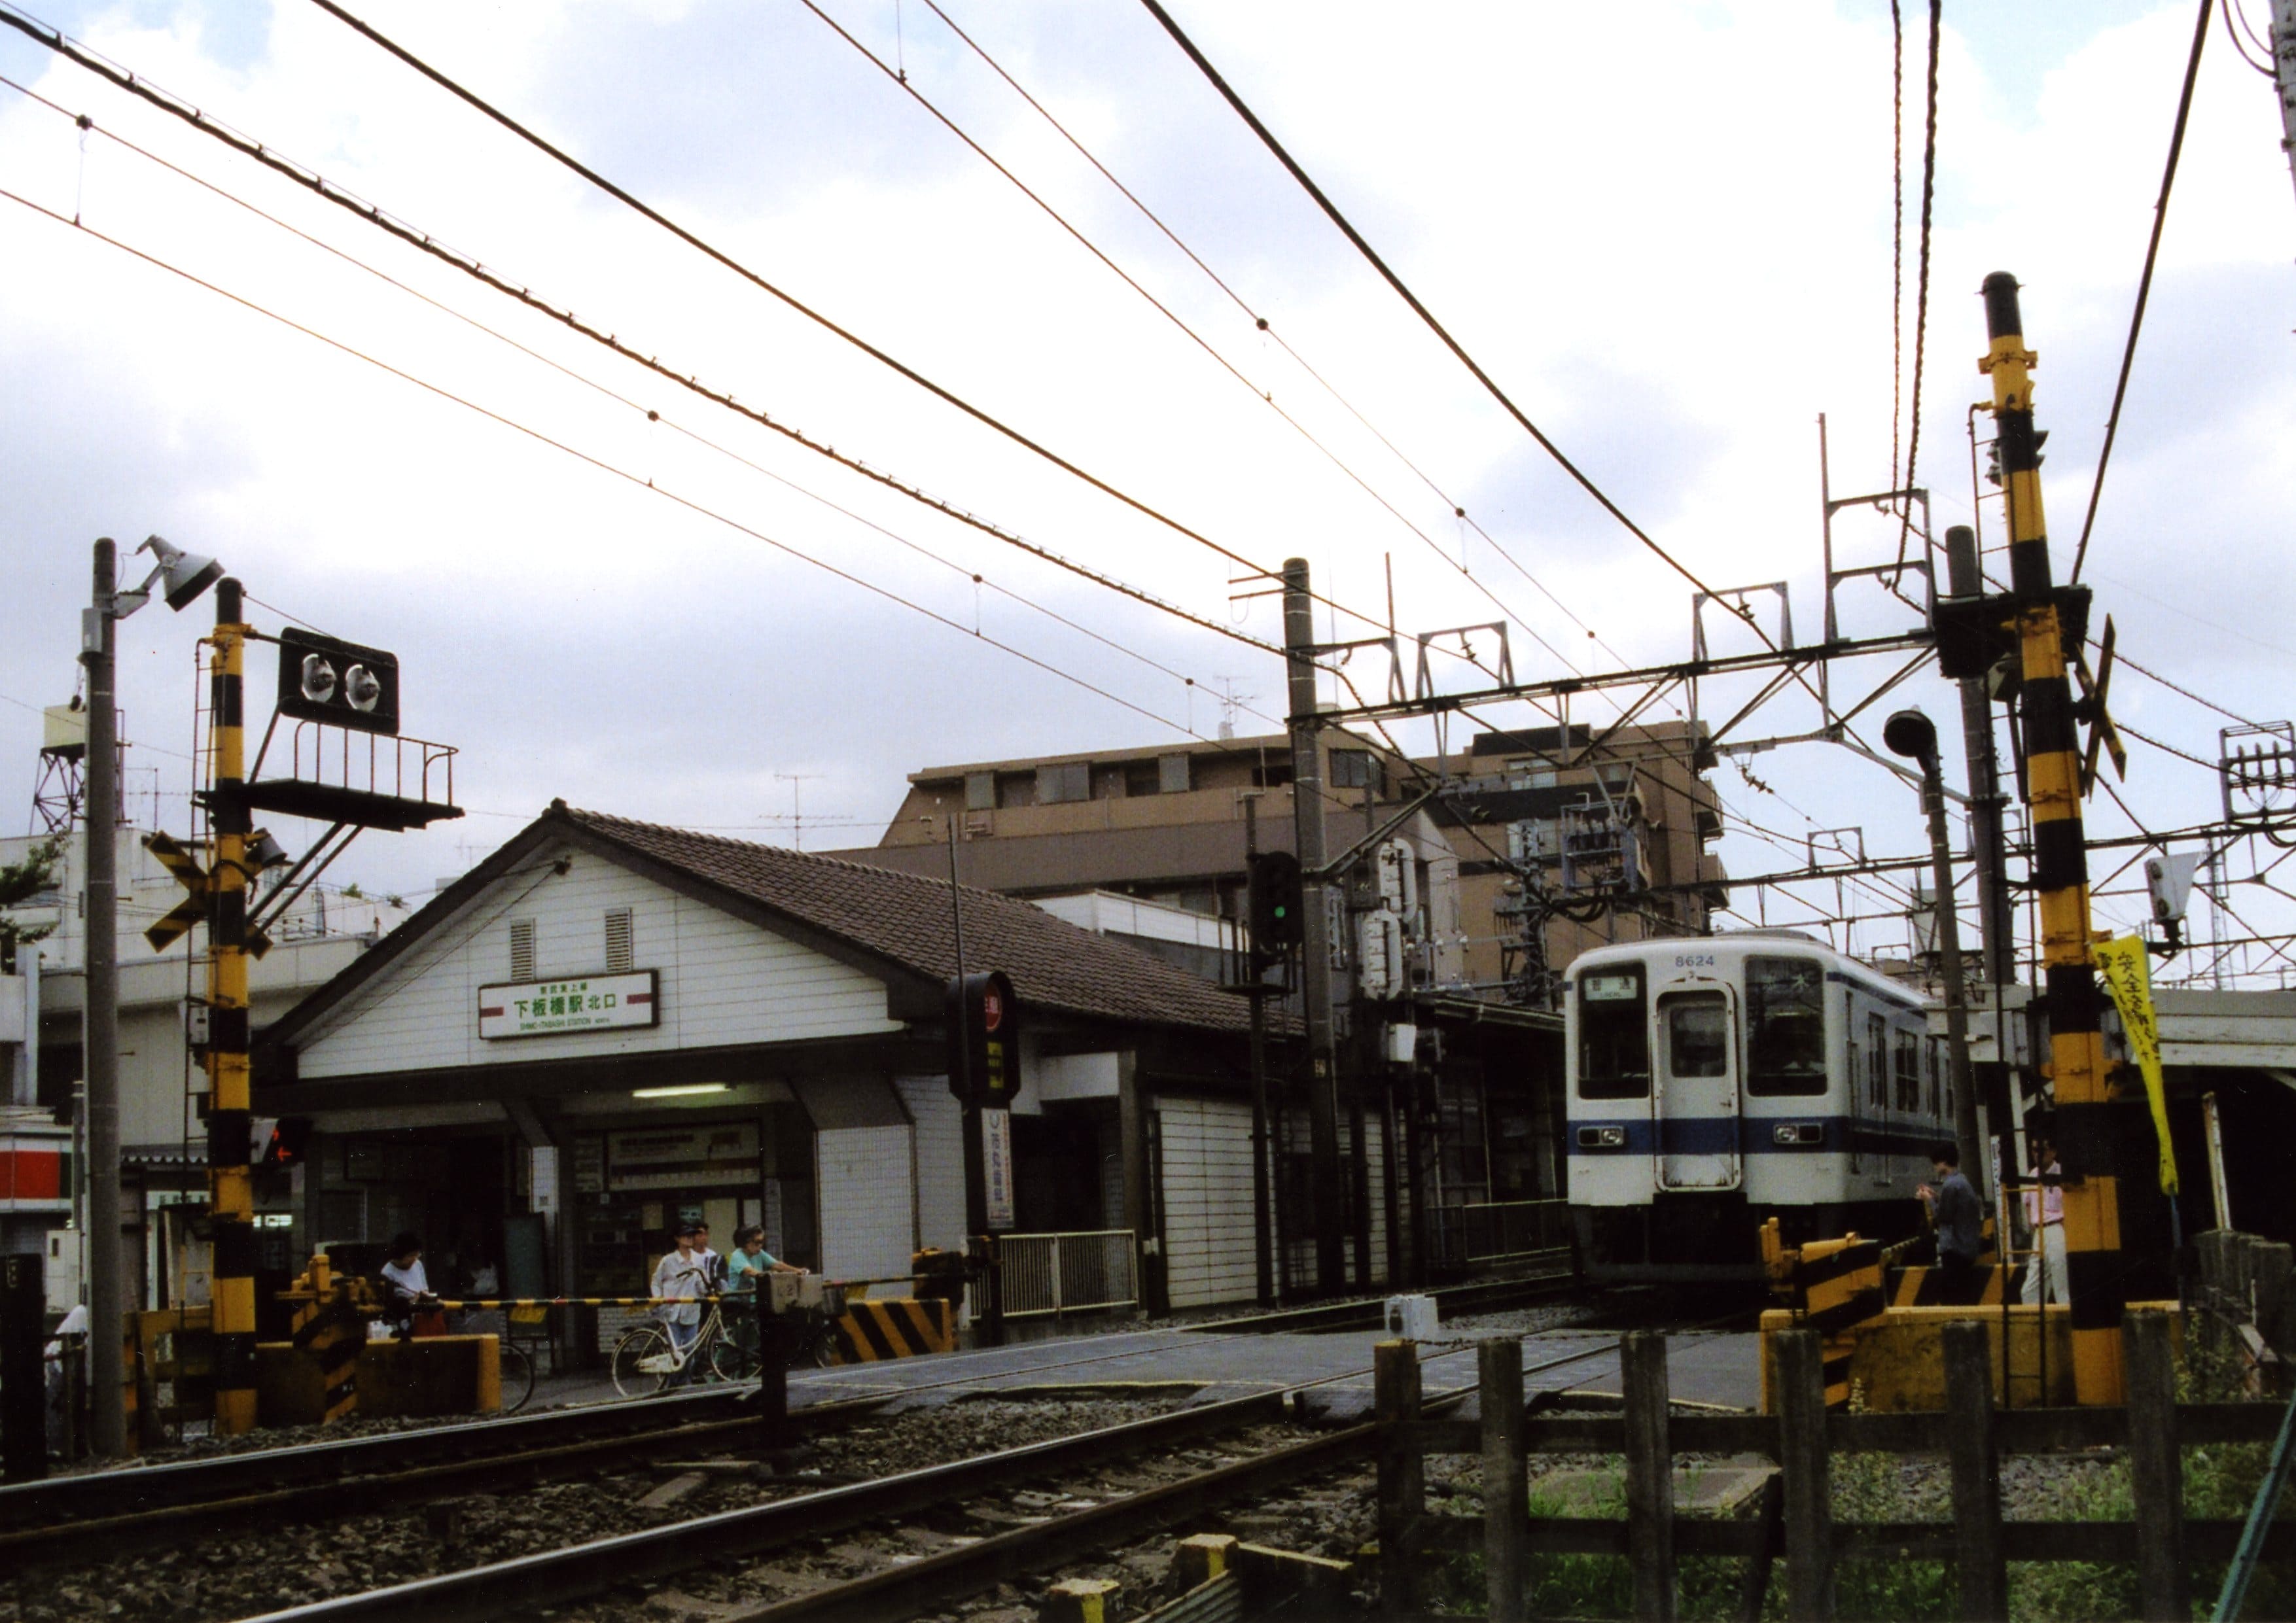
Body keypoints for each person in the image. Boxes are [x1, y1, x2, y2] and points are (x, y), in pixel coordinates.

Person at [1916, 1142, 1984, 1304]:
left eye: (1935, 1163)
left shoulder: (1950, 1185)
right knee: (1960, 1293)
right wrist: (1936, 1196)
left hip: (1955, 1249)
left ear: (1943, 1162)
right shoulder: (1962, 1180)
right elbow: (1955, 1207)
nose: (1934, 1167)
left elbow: (1943, 1217)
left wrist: (1928, 1199)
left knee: (1952, 1296)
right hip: (1966, 1246)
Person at [650, 1223, 709, 1376]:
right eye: (685, 1236)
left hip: (691, 1311)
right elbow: (656, 1282)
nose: (689, 1239)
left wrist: (708, 1288)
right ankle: (673, 1383)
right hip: (672, 1311)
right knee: (675, 1353)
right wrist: (658, 1299)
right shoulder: (668, 1261)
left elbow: (701, 1285)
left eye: (691, 1236)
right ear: (677, 1238)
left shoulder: (698, 1260)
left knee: (690, 1350)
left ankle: (685, 1382)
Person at [2020, 1132, 2067, 1305]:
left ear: (2053, 1152)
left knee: (2062, 1284)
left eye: (2041, 1150)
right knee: (2029, 1290)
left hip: (2057, 1229)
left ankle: (2067, 1317)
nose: (2036, 1154)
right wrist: (2033, 1226)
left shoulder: (2063, 1174)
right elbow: (2027, 1203)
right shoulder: (2032, 1175)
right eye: (2034, 1150)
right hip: (2039, 1232)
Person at [380, 1232, 447, 1338]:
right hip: (405, 1318)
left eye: (417, 1255)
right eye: (410, 1256)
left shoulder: (418, 1265)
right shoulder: (387, 1273)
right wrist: (413, 1300)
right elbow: (391, 1303)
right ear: (399, 1255)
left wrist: (425, 1296)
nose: (414, 1259)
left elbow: (424, 1289)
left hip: (424, 1314)